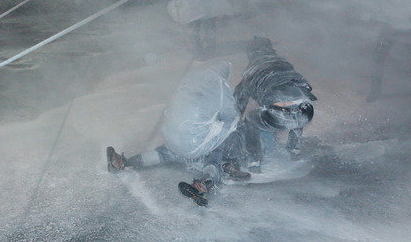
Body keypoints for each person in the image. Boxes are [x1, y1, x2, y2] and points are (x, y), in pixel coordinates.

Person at [107, 60, 251, 207]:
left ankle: (124, 162)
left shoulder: (190, 77)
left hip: (173, 138)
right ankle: (207, 181)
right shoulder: (220, 85)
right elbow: (231, 116)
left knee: (163, 153)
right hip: (194, 145)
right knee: (223, 142)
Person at [232, 37, 316, 172]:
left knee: (250, 120)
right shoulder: (283, 63)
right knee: (297, 106)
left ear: (251, 53)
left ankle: (254, 159)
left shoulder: (251, 70)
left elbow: (238, 103)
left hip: (280, 116)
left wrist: (234, 122)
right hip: (306, 112)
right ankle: (294, 149)